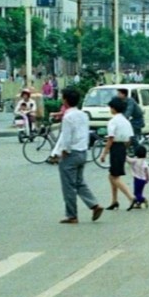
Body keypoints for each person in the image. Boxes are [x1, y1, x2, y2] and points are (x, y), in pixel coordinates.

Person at [50, 88, 104, 224]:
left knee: (68, 186)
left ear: (65, 101)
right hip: (82, 152)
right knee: (79, 183)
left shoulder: (68, 117)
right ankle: (94, 205)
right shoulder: (83, 115)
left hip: (71, 153)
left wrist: (60, 153)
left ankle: (72, 215)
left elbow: (65, 138)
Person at [99, 96, 136, 209]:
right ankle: (114, 200)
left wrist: (104, 153)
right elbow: (129, 139)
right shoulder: (126, 121)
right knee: (113, 175)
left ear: (114, 108)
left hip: (115, 147)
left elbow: (110, 138)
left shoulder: (113, 121)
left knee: (114, 177)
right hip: (123, 147)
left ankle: (131, 197)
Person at [126, 144, 149, 210]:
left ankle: (143, 199)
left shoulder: (136, 160)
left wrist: (125, 155)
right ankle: (138, 204)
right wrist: (147, 179)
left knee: (136, 193)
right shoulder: (144, 162)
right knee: (140, 192)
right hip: (143, 180)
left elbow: (129, 160)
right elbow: (147, 171)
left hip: (137, 179)